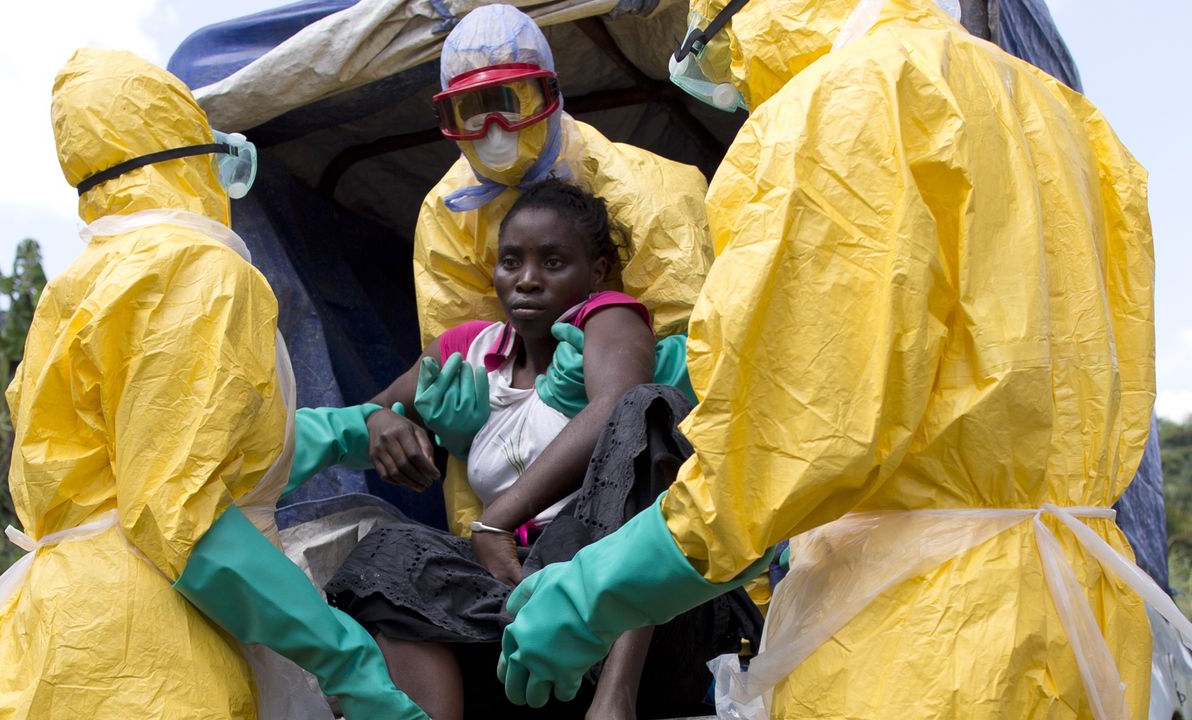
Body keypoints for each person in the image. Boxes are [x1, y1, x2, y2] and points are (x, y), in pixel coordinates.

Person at [498, 1, 1186, 719]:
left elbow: (795, 437)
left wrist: (597, 591)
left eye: (715, 47)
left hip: (916, 641)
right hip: (1082, 624)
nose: (729, 75)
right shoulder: (1071, 120)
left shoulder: (848, 96)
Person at [0, 48, 424, 720]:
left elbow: (176, 448)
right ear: (190, 152)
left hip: (65, 633)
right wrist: (345, 656)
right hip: (154, 645)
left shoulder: (81, 282)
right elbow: (182, 514)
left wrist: (346, 431)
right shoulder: (198, 269)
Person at [291, 180, 759, 720]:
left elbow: (618, 402)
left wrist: (495, 522)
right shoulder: (471, 352)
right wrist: (380, 422)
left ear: (598, 271)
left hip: (645, 623)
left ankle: (615, 700)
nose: (527, 281)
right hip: (530, 606)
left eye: (554, 262)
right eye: (511, 262)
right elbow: (366, 416)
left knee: (650, 411)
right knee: (387, 555)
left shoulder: (608, 320)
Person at [417, 4, 714, 535]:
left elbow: (703, 372)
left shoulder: (651, 195)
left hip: (645, 467)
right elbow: (466, 368)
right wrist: (481, 541)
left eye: (510, 103)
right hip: (525, 507)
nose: (494, 129)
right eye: (471, 111)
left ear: (550, 95)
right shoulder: (448, 214)